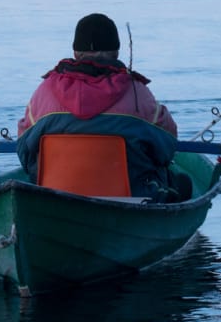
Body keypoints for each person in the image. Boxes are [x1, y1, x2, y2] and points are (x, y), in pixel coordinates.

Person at [17, 13, 182, 200]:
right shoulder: (138, 93)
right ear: (116, 52)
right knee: (176, 181)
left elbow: (24, 151)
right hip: (133, 198)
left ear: (75, 53)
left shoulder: (44, 92)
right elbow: (167, 148)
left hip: (55, 198)